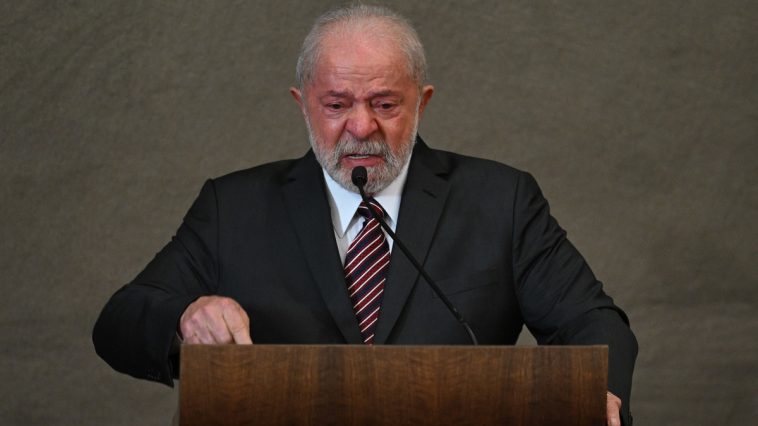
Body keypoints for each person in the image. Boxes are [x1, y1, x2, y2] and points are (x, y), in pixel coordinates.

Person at [93, 5, 637, 425]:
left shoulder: (501, 200)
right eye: (336, 105)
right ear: (302, 103)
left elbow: (593, 321)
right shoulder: (232, 207)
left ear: (422, 102)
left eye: (384, 104)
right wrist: (184, 318)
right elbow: (119, 321)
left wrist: (601, 395)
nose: (360, 127)